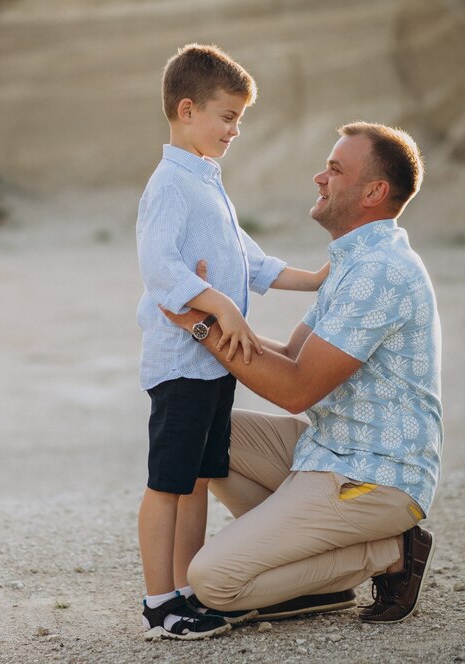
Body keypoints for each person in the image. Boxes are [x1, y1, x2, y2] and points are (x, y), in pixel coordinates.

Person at [162, 121, 441, 626]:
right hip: (329, 450)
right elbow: (292, 354)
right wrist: (212, 320)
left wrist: (201, 325)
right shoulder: (356, 262)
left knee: (215, 582)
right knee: (207, 431)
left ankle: (392, 551)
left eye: (335, 169)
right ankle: (313, 583)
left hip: (372, 475)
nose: (319, 177)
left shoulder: (380, 272)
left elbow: (294, 388)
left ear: (374, 191)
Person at [135, 43, 330, 641]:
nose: (235, 130)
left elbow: (248, 260)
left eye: (240, 120)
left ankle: (188, 590)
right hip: (180, 365)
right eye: (228, 117)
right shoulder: (170, 184)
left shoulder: (207, 182)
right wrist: (217, 303)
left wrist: (316, 278)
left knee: (197, 482)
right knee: (168, 485)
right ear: (187, 109)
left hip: (214, 368)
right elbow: (158, 268)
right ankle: (158, 603)